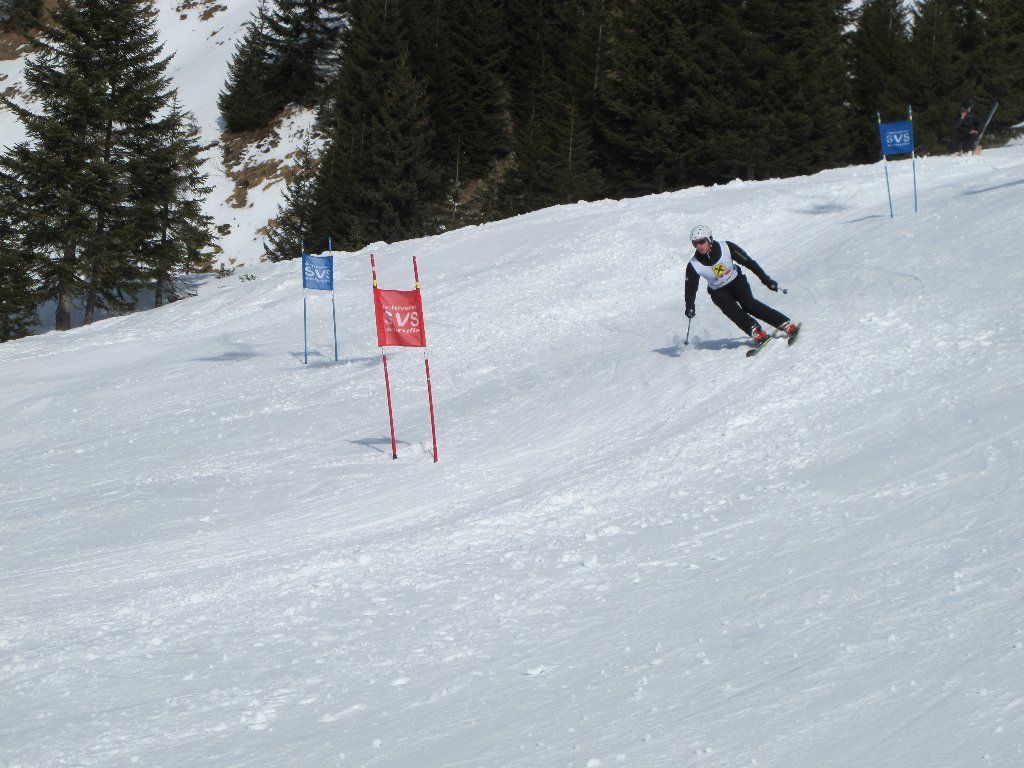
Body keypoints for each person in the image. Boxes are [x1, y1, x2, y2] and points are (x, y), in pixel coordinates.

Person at [683, 224, 799, 347]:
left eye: (701, 241)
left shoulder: (727, 247)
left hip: (736, 281)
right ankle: (755, 331)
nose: (698, 246)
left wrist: (766, 280)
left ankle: (785, 324)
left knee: (749, 305)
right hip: (718, 291)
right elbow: (690, 288)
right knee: (732, 311)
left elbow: (749, 262)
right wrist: (690, 306)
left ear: (709, 239)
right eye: (695, 243)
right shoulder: (694, 264)